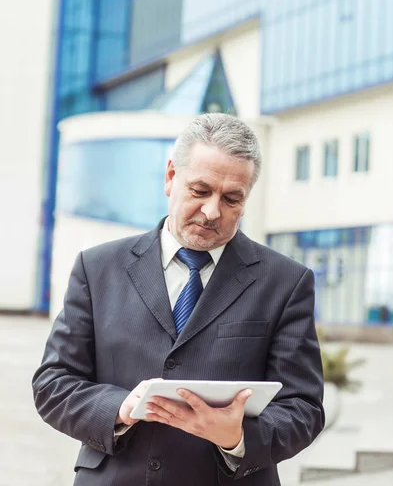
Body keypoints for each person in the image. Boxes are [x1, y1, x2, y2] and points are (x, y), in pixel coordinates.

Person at [33, 113, 324, 486]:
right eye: (200, 190)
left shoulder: (286, 281)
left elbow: (304, 408)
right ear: (171, 176)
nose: (212, 211)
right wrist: (119, 409)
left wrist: (235, 438)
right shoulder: (97, 267)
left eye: (231, 198)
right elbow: (53, 383)